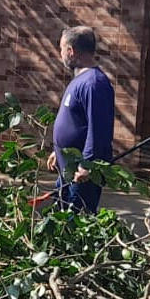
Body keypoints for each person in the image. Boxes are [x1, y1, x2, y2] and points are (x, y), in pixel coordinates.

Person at [47, 25, 115, 214]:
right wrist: (58, 151)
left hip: (82, 176)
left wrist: (87, 165)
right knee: (59, 224)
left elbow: (99, 130)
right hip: (68, 171)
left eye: (61, 49)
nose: (60, 54)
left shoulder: (94, 84)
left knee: (74, 228)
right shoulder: (80, 80)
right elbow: (76, 122)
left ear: (71, 51)